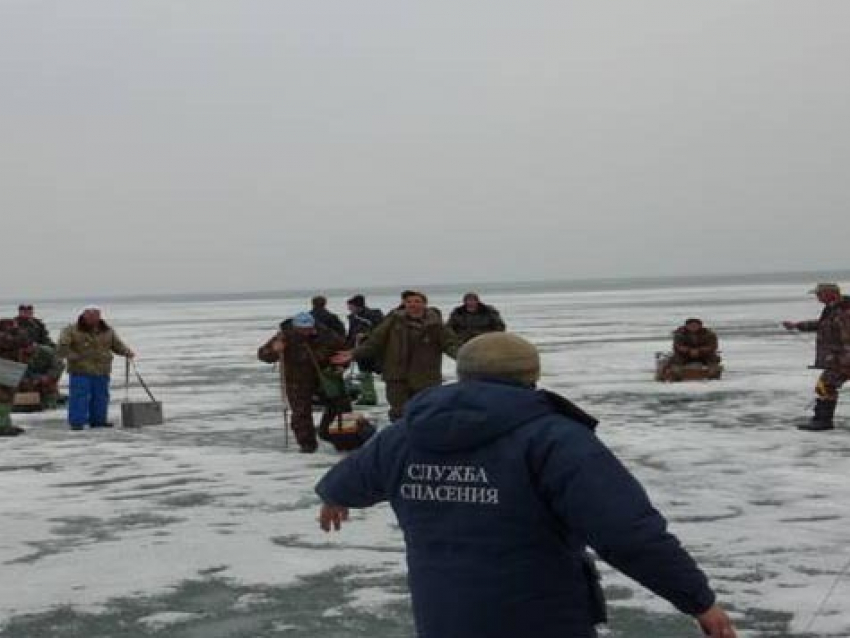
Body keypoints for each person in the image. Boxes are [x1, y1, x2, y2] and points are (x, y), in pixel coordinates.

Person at [315, 333, 738, 638]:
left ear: (462, 374)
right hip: (540, 616)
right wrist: (698, 601)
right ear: (530, 377)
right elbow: (626, 532)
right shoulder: (552, 437)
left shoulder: (406, 433)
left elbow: (357, 475)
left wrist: (336, 495)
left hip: (445, 615)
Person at [333, 290, 459, 420]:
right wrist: (354, 354)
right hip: (396, 377)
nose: (412, 304)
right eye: (409, 301)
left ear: (424, 304)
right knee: (399, 414)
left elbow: (450, 345)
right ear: (404, 304)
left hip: (426, 378)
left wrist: (464, 358)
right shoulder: (393, 321)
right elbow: (375, 341)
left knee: (426, 413)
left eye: (417, 301)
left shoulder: (436, 325)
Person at [258, 312, 348, 452]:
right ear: (295, 327)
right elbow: (263, 354)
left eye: (308, 329)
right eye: (301, 330)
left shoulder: (327, 335)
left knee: (340, 405)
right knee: (301, 414)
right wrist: (274, 351)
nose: (305, 332)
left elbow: (344, 351)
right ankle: (307, 445)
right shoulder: (284, 336)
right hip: (297, 381)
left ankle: (328, 433)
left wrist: (341, 366)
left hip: (323, 378)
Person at [783, 283, 850, 431]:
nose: (817, 298)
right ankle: (822, 420)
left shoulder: (844, 312)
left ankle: (823, 421)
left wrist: (845, 361)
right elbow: (821, 325)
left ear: (830, 294)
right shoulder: (833, 309)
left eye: (819, 294)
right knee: (826, 386)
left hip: (843, 361)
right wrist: (797, 326)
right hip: (838, 360)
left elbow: (847, 338)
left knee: (825, 385)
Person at [57, 306, 135, 430]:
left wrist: (127, 352)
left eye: (96, 315)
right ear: (83, 315)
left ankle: (98, 421)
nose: (93, 317)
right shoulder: (71, 330)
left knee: (101, 397)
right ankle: (77, 423)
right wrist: (73, 356)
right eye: (90, 315)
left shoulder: (107, 330)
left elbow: (117, 345)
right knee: (79, 397)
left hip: (102, 370)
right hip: (80, 370)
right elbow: (62, 347)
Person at [345, 294, 385, 406]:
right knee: (364, 371)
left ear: (357, 306)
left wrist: (366, 335)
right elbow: (351, 334)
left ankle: (369, 396)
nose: (349, 309)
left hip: (372, 348)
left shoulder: (372, 316)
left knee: (375, 370)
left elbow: (381, 329)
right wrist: (348, 348)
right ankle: (368, 395)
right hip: (360, 348)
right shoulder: (354, 317)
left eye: (350, 306)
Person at [0, 318, 30, 436]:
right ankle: (2, 425)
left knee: (8, 398)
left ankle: (5, 423)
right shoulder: (3, 337)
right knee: (2, 398)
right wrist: (17, 331)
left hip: (10, 368)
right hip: (4, 369)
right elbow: (17, 342)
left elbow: (25, 342)